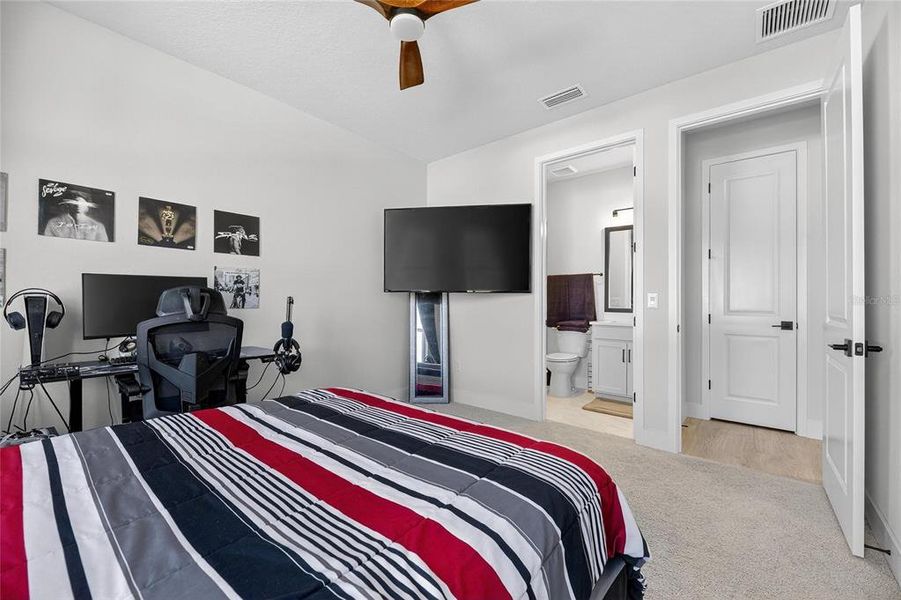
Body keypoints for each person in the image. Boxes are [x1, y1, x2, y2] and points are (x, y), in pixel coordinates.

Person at [43, 191, 109, 241]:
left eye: (82, 203)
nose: (78, 205)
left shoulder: (98, 226)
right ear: (68, 205)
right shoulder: (53, 223)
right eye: (74, 203)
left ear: (87, 206)